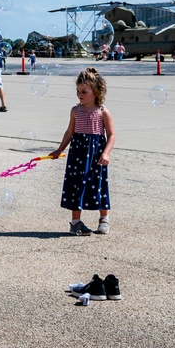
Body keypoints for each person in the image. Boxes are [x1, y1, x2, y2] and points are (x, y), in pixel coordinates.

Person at [51, 67, 115, 236]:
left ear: (96, 91)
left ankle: (104, 219)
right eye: (77, 90)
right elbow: (69, 132)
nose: (79, 94)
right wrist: (59, 149)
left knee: (99, 185)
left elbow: (112, 135)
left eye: (84, 91)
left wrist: (106, 153)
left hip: (96, 155)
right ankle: (75, 223)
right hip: (78, 154)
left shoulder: (102, 112)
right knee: (76, 186)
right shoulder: (75, 111)